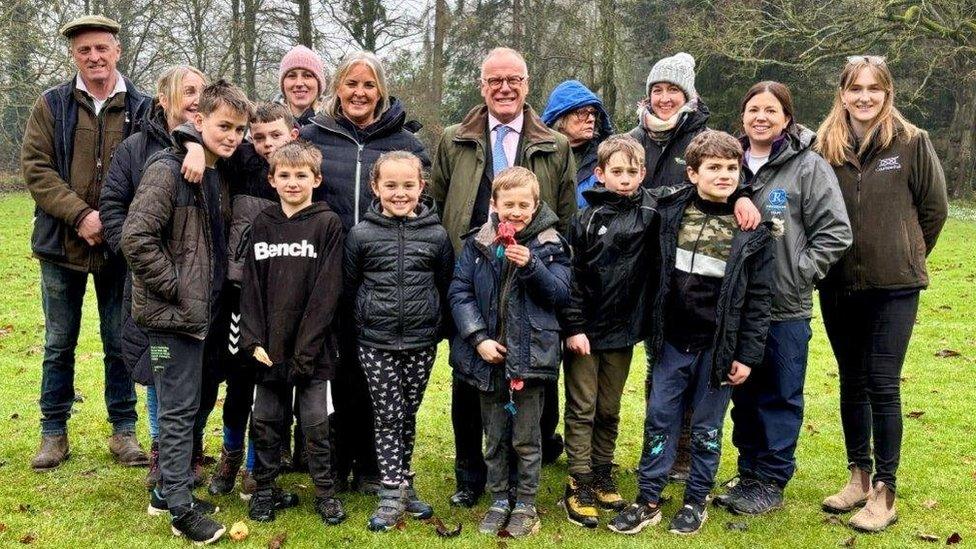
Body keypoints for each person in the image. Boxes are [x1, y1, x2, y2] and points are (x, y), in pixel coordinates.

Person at [430, 47, 576, 508]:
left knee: (533, 377)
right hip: (473, 276)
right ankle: (471, 475)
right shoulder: (455, 139)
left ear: (527, 85)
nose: (505, 88)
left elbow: (567, 216)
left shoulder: (554, 144)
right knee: (469, 379)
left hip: (531, 280)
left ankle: (525, 471)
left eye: (514, 79)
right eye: (495, 80)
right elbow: (438, 204)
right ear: (482, 86)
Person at [609, 130, 775, 536]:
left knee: (706, 427)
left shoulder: (753, 230)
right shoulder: (668, 209)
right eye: (713, 168)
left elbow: (759, 300)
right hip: (670, 343)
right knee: (660, 419)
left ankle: (696, 499)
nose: (724, 176)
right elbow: (629, 193)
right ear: (692, 173)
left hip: (718, 348)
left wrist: (747, 355)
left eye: (732, 169)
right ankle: (648, 497)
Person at [815, 56, 947, 532]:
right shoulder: (823, 145)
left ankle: (884, 493)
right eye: (856, 89)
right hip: (838, 284)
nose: (865, 97)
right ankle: (858, 476)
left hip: (894, 287)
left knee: (883, 384)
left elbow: (934, 209)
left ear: (888, 92)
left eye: (874, 88)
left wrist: (906, 252)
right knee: (851, 379)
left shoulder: (911, 142)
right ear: (843, 94)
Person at [121, 80, 253, 544]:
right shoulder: (169, 169)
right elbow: (136, 238)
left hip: (205, 317)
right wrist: (176, 290)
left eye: (239, 129)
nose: (233, 136)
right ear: (198, 121)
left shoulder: (213, 169)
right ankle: (180, 508)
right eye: (223, 126)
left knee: (193, 405)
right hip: (173, 316)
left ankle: (165, 492)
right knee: (177, 411)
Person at [21, 14, 152, 471]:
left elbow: (155, 171)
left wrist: (114, 223)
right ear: (73, 55)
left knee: (120, 341)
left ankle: (124, 432)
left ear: (117, 50)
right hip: (61, 246)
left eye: (102, 48)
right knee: (59, 341)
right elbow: (37, 169)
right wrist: (80, 214)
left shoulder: (145, 107)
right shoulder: (51, 104)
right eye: (84, 51)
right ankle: (53, 433)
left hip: (120, 248)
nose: (94, 57)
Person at [715, 81, 852, 515]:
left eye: (771, 110)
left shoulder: (807, 167)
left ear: (787, 119)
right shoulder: (729, 162)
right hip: (735, 305)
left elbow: (836, 232)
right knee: (744, 394)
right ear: (743, 116)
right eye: (753, 109)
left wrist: (801, 271)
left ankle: (770, 480)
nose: (761, 117)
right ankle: (748, 471)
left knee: (779, 394)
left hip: (784, 305)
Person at [301, 49, 429, 494]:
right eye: (351, 83)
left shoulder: (407, 143)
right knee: (336, 371)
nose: (359, 92)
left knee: (377, 375)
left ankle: (374, 467)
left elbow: (421, 205)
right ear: (337, 87)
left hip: (383, 278)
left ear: (381, 90)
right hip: (326, 272)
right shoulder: (312, 135)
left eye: (369, 84)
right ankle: (333, 463)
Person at [100, 64, 208, 489]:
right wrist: (142, 263)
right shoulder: (135, 150)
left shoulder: (211, 145)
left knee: (195, 375)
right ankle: (164, 454)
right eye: (188, 91)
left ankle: (190, 450)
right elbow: (113, 205)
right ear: (163, 99)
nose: (196, 98)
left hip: (198, 293)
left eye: (202, 90)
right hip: (153, 292)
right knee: (157, 368)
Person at [448, 167, 572, 538]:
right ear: (494, 205)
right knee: (496, 436)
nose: (515, 213)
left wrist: (532, 267)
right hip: (490, 358)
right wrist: (477, 338)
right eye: (509, 205)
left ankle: (526, 503)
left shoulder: (551, 246)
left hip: (530, 360)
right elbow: (459, 292)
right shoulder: (478, 244)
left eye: (524, 205)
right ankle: (499, 496)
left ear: (536, 207)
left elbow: (560, 295)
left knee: (526, 438)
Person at [343, 151, 455, 531]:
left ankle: (404, 481)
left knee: (407, 414)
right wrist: (361, 326)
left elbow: (445, 284)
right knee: (388, 415)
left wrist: (436, 328)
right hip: (376, 341)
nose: (400, 192)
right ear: (376, 187)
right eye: (390, 185)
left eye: (408, 185)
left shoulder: (437, 235)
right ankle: (391, 491)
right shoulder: (361, 234)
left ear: (421, 186)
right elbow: (349, 286)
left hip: (422, 341)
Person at [240, 141, 347, 527]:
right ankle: (265, 490)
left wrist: (307, 350)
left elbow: (327, 291)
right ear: (271, 180)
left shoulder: (327, 223)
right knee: (267, 421)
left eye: (301, 175)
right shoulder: (263, 223)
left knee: (316, 423)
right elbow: (250, 287)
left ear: (316, 179)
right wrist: (252, 340)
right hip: (269, 347)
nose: (292, 182)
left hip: (313, 349)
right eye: (284, 175)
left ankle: (325, 493)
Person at [559, 136, 655, 528]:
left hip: (624, 330)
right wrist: (574, 326)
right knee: (583, 406)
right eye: (617, 171)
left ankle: (602, 470)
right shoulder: (584, 220)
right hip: (585, 332)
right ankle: (578, 479)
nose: (625, 179)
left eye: (633, 172)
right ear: (600, 174)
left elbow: (694, 192)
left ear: (643, 174)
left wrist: (743, 197)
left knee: (610, 408)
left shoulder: (652, 212)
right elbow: (572, 278)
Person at [627, 52, 710, 190]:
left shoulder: (707, 142)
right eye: (657, 91)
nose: (664, 99)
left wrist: (741, 198)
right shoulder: (630, 141)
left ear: (687, 97)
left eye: (673, 90)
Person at [541, 79, 615, 207]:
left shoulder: (607, 157)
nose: (591, 119)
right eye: (582, 113)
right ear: (560, 118)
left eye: (593, 113)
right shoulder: (538, 156)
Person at [278, 45, 327, 126]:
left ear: (319, 83)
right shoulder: (264, 123)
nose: (299, 83)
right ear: (283, 84)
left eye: (307, 76)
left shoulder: (335, 123)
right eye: (291, 76)